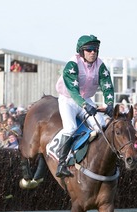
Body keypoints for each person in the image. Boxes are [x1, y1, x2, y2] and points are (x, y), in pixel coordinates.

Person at [55, 34, 114, 178]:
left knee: (100, 126)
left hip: (86, 99)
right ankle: (61, 164)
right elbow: (73, 91)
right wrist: (84, 105)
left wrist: (110, 103)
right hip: (68, 99)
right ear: (81, 51)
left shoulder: (100, 65)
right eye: (89, 50)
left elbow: (107, 86)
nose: (93, 52)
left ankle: (92, 160)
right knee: (70, 128)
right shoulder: (72, 64)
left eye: (95, 50)